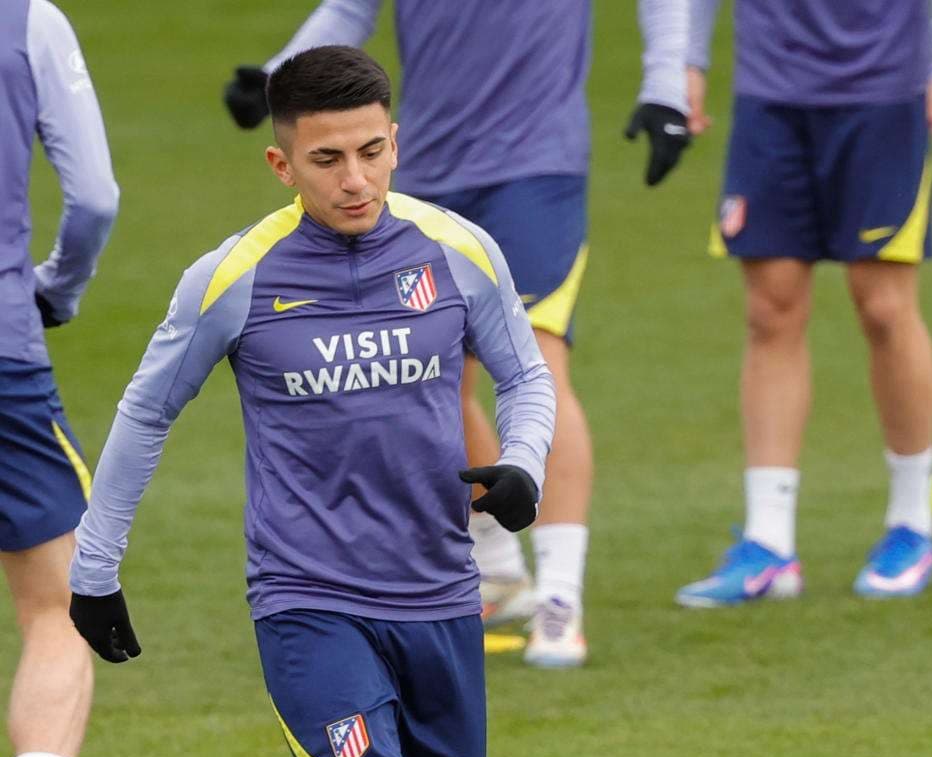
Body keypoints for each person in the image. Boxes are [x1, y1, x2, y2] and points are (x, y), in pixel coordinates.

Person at [69, 46, 555, 757]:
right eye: (328, 159)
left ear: (396, 141)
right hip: (308, 602)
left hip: (441, 599)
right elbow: (146, 416)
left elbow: (525, 379)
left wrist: (520, 467)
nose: (356, 178)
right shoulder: (234, 277)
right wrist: (95, 570)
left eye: (374, 151)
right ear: (282, 161)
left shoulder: (457, 252)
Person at [225, 0, 692, 666]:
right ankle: (499, 568)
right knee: (435, 375)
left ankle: (561, 599)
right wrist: (276, 79)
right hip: (420, 175)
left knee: (537, 365)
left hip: (533, 172)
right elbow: (350, 9)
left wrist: (666, 88)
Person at [674, 0, 932, 607]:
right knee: (771, 307)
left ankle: (911, 523)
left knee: (884, 306)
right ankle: (769, 544)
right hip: (771, 91)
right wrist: (681, 63)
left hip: (885, 90)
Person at [0, 0, 128, 757]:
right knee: (60, 601)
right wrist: (57, 290)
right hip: (3, 352)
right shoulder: (29, 21)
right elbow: (94, 199)